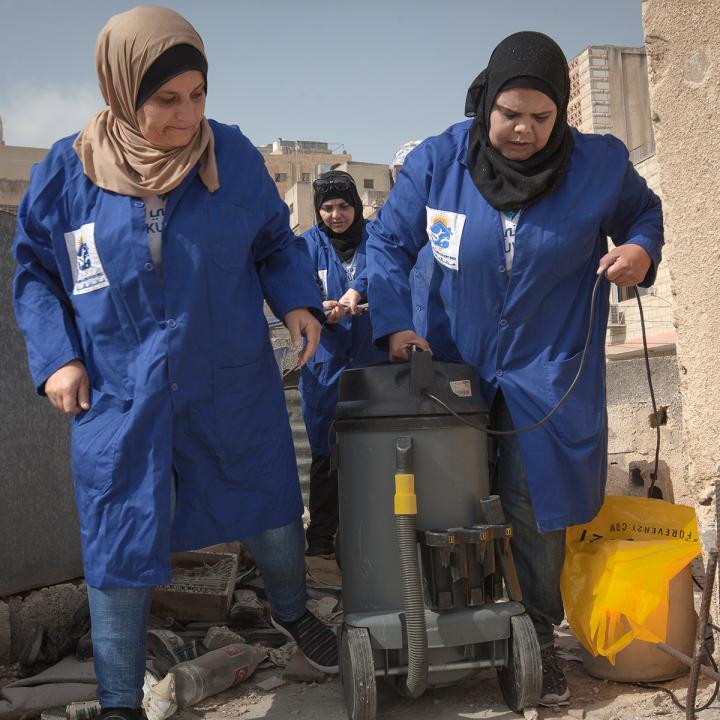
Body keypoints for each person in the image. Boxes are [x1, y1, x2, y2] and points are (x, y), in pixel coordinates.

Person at [12, 7, 338, 716]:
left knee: (273, 503)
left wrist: (297, 303)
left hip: (227, 380)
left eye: (197, 95)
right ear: (123, 92)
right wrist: (58, 358)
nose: (186, 116)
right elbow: (35, 272)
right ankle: (119, 699)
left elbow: (275, 243)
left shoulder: (234, 156)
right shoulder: (65, 176)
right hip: (118, 389)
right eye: (166, 99)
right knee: (117, 540)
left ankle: (291, 608)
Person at [366, 31, 663, 707]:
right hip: (448, 363)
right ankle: (454, 631)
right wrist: (394, 323)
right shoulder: (439, 162)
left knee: (536, 506)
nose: (524, 129)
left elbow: (643, 213)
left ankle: (532, 638)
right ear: (485, 106)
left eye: (541, 116)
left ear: (562, 114)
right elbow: (386, 242)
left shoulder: (600, 165)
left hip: (548, 364)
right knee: (451, 503)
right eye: (510, 114)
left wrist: (640, 250)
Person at [299, 170, 386, 556]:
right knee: (325, 454)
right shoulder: (305, 246)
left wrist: (357, 291)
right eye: (328, 208)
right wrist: (318, 309)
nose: (336, 215)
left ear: (357, 206)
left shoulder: (378, 238)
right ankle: (320, 539)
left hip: (372, 361)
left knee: (377, 452)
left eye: (344, 206)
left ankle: (374, 538)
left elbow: (385, 270)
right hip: (325, 364)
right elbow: (295, 291)